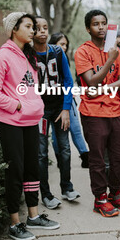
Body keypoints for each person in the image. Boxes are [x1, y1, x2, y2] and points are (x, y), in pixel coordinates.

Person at [0, 12, 59, 240]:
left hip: (31, 121)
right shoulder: (2, 56)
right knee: (15, 171)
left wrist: (32, 105)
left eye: (33, 27)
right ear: (13, 29)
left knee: (32, 169)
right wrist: (17, 105)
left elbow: (30, 88)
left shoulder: (28, 56)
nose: (33, 31)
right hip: (11, 123)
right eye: (28, 26)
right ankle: (15, 223)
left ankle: (34, 216)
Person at [75, 9, 120, 217]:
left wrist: (100, 90)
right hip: (93, 113)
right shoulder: (83, 51)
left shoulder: (116, 52)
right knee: (98, 159)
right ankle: (100, 198)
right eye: (95, 24)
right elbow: (90, 81)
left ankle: (115, 194)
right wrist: (109, 61)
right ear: (88, 28)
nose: (100, 27)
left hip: (115, 111)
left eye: (103, 23)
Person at [33, 17, 80, 210]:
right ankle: (46, 194)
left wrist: (66, 109)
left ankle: (67, 188)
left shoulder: (58, 52)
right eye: (37, 28)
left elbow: (69, 82)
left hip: (60, 108)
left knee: (65, 149)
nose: (42, 31)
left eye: (45, 28)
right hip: (40, 112)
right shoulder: (27, 54)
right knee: (42, 154)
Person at [48, 32, 90, 168]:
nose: (64, 47)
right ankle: (61, 159)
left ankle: (85, 156)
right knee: (57, 132)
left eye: (66, 44)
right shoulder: (50, 58)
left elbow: (69, 80)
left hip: (68, 99)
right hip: (55, 101)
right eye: (61, 44)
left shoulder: (63, 57)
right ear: (53, 44)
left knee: (76, 128)